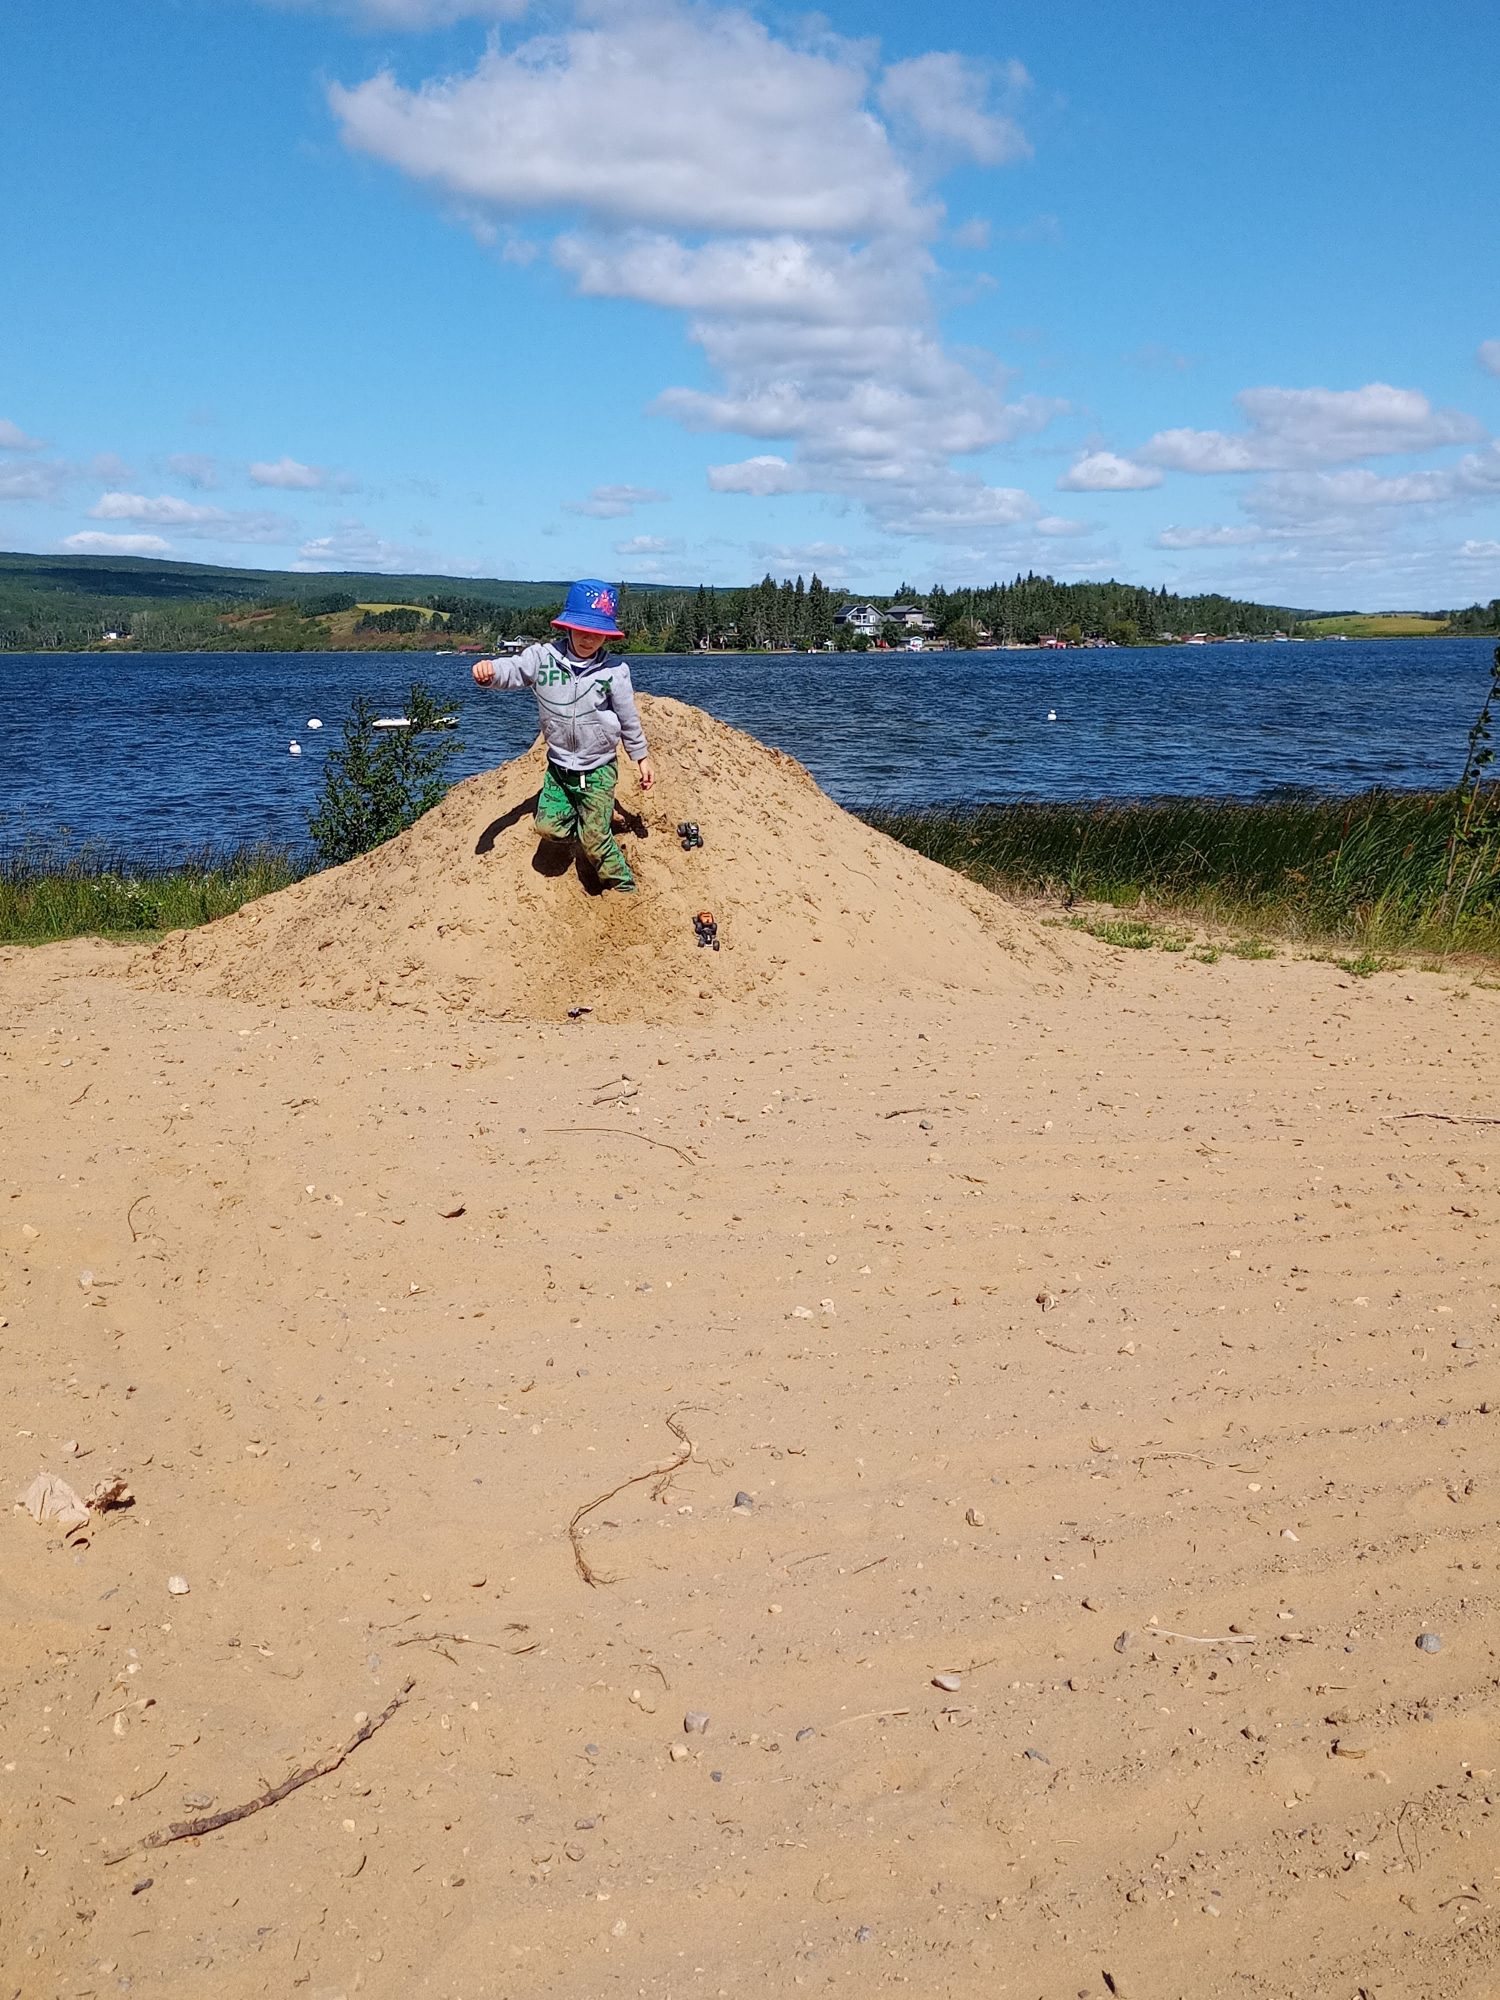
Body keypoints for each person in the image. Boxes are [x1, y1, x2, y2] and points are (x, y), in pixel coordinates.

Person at [471, 581, 654, 892]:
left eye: (596, 632)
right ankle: (587, 824)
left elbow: (628, 718)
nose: (587, 638)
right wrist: (490, 673)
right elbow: (513, 670)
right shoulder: (543, 658)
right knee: (548, 827)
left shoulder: (614, 672)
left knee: (595, 843)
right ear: (566, 626)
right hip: (558, 769)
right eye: (581, 629)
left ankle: (623, 885)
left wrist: (641, 756)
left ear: (608, 634)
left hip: (598, 769)